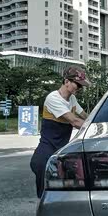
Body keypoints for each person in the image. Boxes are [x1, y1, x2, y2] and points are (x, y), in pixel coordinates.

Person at [30, 66, 91, 198]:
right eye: (77, 84)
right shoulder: (53, 98)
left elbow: (85, 116)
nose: (79, 88)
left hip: (61, 150)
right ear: (66, 81)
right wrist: (96, 128)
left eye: (81, 86)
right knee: (46, 195)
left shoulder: (72, 99)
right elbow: (75, 121)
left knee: (68, 188)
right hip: (46, 153)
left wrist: (98, 121)